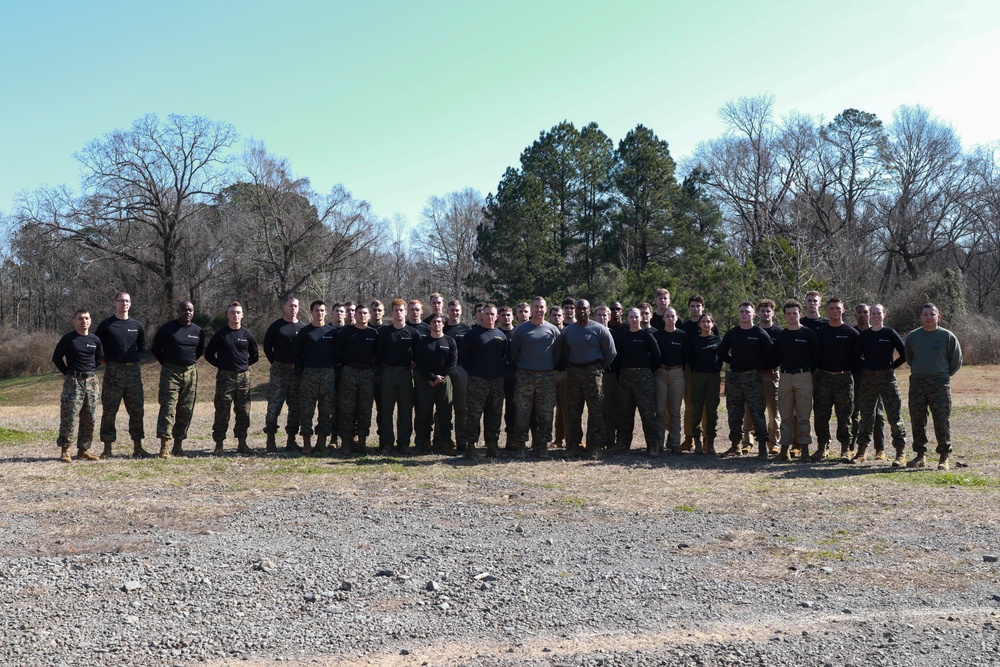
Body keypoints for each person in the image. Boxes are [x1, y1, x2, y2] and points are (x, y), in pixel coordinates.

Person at [905, 303, 963, 470]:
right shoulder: (913, 336)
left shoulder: (947, 336)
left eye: (932, 314)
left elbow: (956, 361)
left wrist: (941, 374)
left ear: (939, 317)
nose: (929, 317)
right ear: (920, 317)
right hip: (917, 383)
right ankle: (920, 455)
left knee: (941, 420)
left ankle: (944, 456)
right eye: (925, 314)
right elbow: (909, 358)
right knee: (917, 419)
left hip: (939, 383)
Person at [95, 291, 150, 459]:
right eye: (121, 301)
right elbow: (97, 347)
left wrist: (132, 361)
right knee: (110, 410)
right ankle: (107, 448)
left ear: (130, 304)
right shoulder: (106, 325)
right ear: (114, 303)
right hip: (113, 372)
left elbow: (142, 348)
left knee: (136, 410)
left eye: (127, 301)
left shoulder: (137, 325)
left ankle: (138, 447)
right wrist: (109, 363)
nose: (124, 304)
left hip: (133, 372)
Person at [850, 303, 906, 465]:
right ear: (870, 316)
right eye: (873, 313)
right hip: (868, 379)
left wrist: (890, 367)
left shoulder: (890, 333)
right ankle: (861, 452)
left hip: (887, 379)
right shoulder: (865, 335)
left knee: (894, 416)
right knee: (866, 416)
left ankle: (900, 454)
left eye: (878, 313)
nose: (875, 316)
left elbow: (904, 354)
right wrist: (866, 367)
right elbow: (855, 356)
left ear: (884, 315)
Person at [560, 299, 617, 459]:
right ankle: (574, 445)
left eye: (584, 308)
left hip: (593, 373)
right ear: (575, 311)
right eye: (578, 309)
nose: (581, 311)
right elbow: (565, 352)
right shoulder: (568, 331)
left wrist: (598, 367)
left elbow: (611, 352)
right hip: (573, 373)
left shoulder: (599, 329)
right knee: (573, 411)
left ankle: (596, 446)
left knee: (596, 411)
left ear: (589, 310)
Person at [718, 302, 775, 459]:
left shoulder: (759, 332)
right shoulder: (733, 333)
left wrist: (760, 366)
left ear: (753, 315)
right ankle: (735, 446)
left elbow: (772, 353)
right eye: (741, 311)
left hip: (753, 378)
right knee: (734, 412)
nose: (744, 314)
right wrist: (735, 362)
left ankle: (762, 447)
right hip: (735, 377)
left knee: (757, 413)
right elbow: (721, 352)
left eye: (747, 312)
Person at [151, 301, 206, 457]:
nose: (187, 312)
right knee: (167, 408)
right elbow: (156, 348)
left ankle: (178, 445)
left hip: (190, 374)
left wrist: (187, 364)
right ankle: (164, 446)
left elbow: (199, 351)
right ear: (178, 311)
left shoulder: (198, 331)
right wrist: (168, 364)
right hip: (170, 373)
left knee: (186, 410)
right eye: (184, 310)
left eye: (190, 310)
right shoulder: (167, 328)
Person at [509, 297, 561, 459]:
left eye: (542, 307)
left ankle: (543, 446)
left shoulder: (553, 330)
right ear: (531, 310)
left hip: (546, 377)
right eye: (536, 307)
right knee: (522, 412)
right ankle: (521, 446)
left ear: (546, 310)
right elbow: (514, 353)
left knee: (546, 413)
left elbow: (557, 354)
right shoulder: (521, 330)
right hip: (525, 376)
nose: (539, 309)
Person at [205, 301, 260, 456]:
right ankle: (219, 445)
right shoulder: (221, 334)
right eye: (232, 312)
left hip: (244, 378)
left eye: (238, 312)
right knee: (222, 411)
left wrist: (242, 366)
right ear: (227, 315)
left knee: (243, 411)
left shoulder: (247, 335)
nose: (235, 315)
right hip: (225, 378)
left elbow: (255, 356)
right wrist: (222, 365)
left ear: (242, 315)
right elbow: (209, 355)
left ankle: (242, 444)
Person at [52, 309, 104, 463]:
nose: (84, 321)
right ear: (74, 321)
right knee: (69, 416)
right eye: (80, 318)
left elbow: (99, 359)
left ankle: (83, 450)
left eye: (87, 318)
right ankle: (65, 450)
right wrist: (66, 372)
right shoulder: (69, 339)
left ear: (91, 320)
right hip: (73, 382)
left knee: (89, 417)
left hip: (91, 382)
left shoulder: (95, 340)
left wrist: (90, 372)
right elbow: (56, 357)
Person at [812, 297, 859, 461]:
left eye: (838, 308)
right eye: (831, 308)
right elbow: (815, 356)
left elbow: (857, 357)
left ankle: (846, 448)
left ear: (843, 310)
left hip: (844, 378)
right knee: (821, 414)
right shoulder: (821, 332)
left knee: (844, 415)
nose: (834, 311)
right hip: (823, 378)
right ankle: (822, 447)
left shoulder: (851, 333)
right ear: (827, 311)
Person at [773, 300, 820, 461]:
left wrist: (808, 373)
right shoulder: (782, 336)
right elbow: (776, 358)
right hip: (785, 376)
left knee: (803, 416)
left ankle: (805, 450)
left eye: (795, 313)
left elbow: (816, 357)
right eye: (788, 313)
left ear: (800, 313)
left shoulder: (808, 334)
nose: (792, 316)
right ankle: (784, 450)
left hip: (803, 376)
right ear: (784, 315)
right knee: (785, 417)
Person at [460, 303, 508, 459]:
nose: (489, 316)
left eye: (492, 314)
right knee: (474, 414)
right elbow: (464, 358)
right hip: (477, 381)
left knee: (494, 414)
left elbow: (504, 358)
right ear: (481, 315)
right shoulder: (473, 334)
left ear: (497, 316)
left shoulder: (501, 336)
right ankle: (471, 447)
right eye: (486, 313)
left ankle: (492, 446)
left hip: (497, 382)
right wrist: (475, 374)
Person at [613, 308, 662, 456]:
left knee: (647, 413)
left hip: (643, 376)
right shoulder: (624, 336)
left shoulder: (647, 336)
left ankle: (653, 446)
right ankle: (622, 443)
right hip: (625, 376)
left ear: (641, 318)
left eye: (636, 317)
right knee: (625, 412)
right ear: (627, 319)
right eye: (631, 317)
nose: (634, 320)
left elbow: (657, 357)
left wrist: (646, 371)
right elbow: (618, 357)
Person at [377, 298, 421, 454]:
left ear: (406, 312)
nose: (398, 312)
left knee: (405, 410)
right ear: (392, 312)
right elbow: (379, 354)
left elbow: (418, 355)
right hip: (388, 373)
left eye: (401, 310)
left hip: (405, 374)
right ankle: (387, 443)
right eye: (396, 310)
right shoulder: (384, 332)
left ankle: (403, 443)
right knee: (386, 410)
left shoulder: (413, 333)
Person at [335, 304, 379, 454]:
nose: (362, 316)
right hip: (349, 372)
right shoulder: (347, 332)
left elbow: (377, 354)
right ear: (354, 315)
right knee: (347, 408)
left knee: (365, 408)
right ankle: (346, 443)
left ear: (368, 316)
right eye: (359, 313)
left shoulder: (373, 333)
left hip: (367, 373)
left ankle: (362, 442)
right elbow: (337, 351)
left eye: (365, 313)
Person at [262, 296, 305, 453]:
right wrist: (276, 363)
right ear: (284, 307)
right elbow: (267, 347)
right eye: (290, 305)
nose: (293, 308)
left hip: (296, 372)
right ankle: (270, 440)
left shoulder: (302, 327)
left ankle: (291, 440)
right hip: (279, 370)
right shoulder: (276, 326)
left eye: (296, 306)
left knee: (295, 407)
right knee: (274, 406)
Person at [740, 299, 782, 455]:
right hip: (753, 376)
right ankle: (747, 441)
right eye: (763, 311)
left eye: (768, 310)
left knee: (773, 411)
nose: (766, 313)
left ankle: (774, 442)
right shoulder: (753, 330)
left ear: (773, 313)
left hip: (771, 375)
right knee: (750, 410)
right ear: (757, 314)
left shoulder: (779, 332)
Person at [295, 300, 337, 455]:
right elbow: (297, 354)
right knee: (307, 410)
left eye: (322, 310)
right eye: (317, 310)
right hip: (309, 374)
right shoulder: (305, 332)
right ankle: (306, 443)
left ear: (326, 312)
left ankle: (321, 443)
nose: (319, 313)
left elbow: (337, 353)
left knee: (326, 410)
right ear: (311, 312)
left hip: (328, 374)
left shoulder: (332, 332)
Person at [414, 312, 458, 454]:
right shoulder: (423, 342)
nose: (437, 324)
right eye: (434, 322)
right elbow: (419, 363)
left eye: (439, 322)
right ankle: (422, 445)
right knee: (423, 415)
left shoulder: (450, 342)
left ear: (443, 324)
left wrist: (441, 377)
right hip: (426, 382)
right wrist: (431, 377)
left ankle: (445, 444)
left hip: (444, 383)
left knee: (445, 415)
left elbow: (452, 363)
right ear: (430, 324)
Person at [679, 295, 716, 452]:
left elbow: (718, 347)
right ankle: (690, 438)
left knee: (708, 408)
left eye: (698, 306)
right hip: (690, 369)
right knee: (690, 405)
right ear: (689, 308)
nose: (695, 308)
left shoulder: (711, 325)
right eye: (692, 306)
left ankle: (707, 440)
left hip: (709, 371)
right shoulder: (684, 326)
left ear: (702, 307)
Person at [652, 307, 689, 454]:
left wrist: (678, 369)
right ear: (663, 318)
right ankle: (659, 442)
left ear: (676, 317)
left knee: (675, 411)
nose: (670, 318)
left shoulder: (682, 336)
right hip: (660, 374)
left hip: (677, 374)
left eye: (672, 316)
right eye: (667, 316)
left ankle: (674, 442)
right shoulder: (657, 335)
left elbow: (686, 356)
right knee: (660, 410)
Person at [850, 303, 885, 454]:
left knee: (877, 414)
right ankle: (852, 447)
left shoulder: (879, 332)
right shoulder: (851, 333)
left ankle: (880, 449)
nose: (863, 315)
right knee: (855, 412)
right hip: (856, 377)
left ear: (870, 314)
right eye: (860, 312)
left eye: (866, 312)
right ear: (855, 314)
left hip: (877, 376)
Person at [689, 313, 723, 454]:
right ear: (699, 324)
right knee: (696, 410)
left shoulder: (718, 340)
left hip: (713, 378)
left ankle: (710, 443)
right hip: (698, 377)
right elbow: (690, 359)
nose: (706, 324)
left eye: (708, 321)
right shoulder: (694, 340)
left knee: (711, 411)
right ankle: (696, 441)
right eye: (703, 322)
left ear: (713, 324)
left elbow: (722, 356)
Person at [444, 299, 471, 452]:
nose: (454, 313)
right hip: (445, 371)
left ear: (461, 311)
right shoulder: (442, 327)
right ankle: (443, 440)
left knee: (462, 408)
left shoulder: (467, 330)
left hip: (462, 370)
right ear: (447, 312)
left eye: (457, 310)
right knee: (444, 407)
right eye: (452, 310)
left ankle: (462, 441)